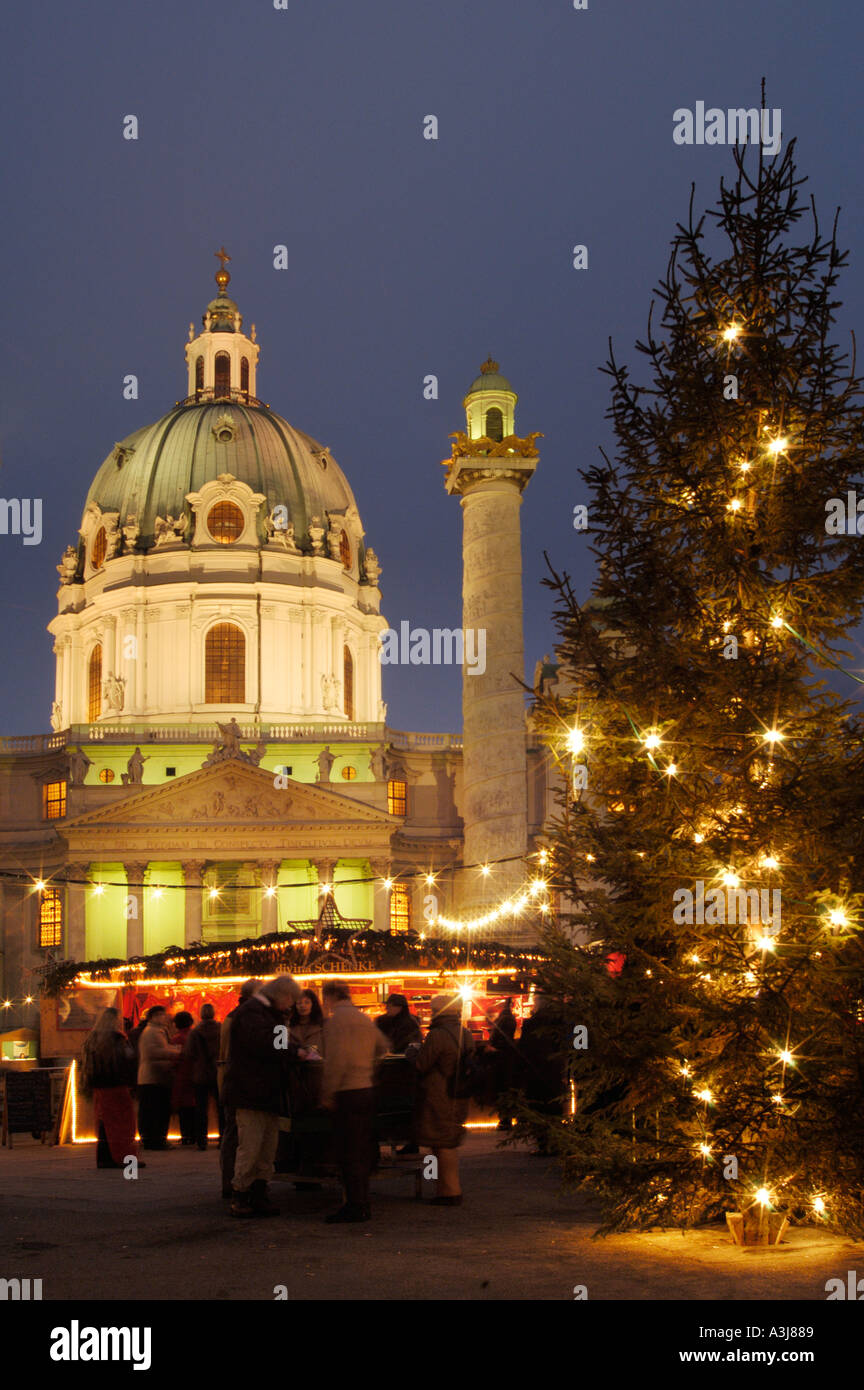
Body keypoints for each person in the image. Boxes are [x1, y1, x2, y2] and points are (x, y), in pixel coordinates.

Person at [221, 975, 304, 1217]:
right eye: (290, 1000)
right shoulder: (253, 1013)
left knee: (267, 1147)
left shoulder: (265, 1013)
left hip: (264, 1092)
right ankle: (242, 1194)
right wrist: (296, 1052)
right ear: (282, 995)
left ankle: (258, 1193)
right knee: (252, 1145)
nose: (291, 1005)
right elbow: (267, 1043)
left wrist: (295, 1049)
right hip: (252, 1092)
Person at [320, 981, 388, 1224]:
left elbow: (336, 1061)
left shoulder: (335, 1022)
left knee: (348, 1152)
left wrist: (328, 1092)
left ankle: (355, 1205)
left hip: (347, 1091)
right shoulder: (363, 1018)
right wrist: (367, 1066)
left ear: (329, 997)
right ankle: (361, 1202)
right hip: (366, 1089)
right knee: (361, 1148)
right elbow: (384, 1046)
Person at [414, 994, 475, 1205]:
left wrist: (412, 1054)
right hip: (459, 1093)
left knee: (441, 1144)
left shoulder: (437, 1035)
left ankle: (449, 1191)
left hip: (439, 1094)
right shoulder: (465, 1033)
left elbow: (422, 1065)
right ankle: (444, 1188)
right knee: (447, 1141)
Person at [80, 1007, 142, 1170]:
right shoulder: (118, 1039)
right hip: (117, 1085)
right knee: (124, 1125)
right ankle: (127, 1160)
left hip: (99, 1087)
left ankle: (104, 1157)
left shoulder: (91, 1039)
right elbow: (129, 1058)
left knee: (103, 1123)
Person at [218, 979, 260, 1198]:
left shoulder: (233, 1017)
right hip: (241, 1084)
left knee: (233, 1134)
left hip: (231, 1082)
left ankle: (232, 1182)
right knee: (240, 1136)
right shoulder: (245, 1018)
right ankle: (240, 1186)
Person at [136, 1006, 181, 1149]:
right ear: (153, 1016)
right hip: (153, 1077)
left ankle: (155, 1138)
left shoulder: (158, 1031)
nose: (164, 1017)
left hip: (156, 1076)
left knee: (157, 1109)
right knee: (155, 1110)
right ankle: (155, 1139)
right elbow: (154, 1052)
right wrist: (176, 1052)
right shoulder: (152, 1032)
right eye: (161, 1014)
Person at [187, 1003, 223, 1150]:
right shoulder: (221, 1030)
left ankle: (202, 1140)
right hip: (217, 1071)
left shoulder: (195, 1032)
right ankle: (223, 1138)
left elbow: (189, 1053)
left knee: (201, 1109)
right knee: (221, 1108)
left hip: (201, 1073)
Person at [490, 998, 518, 1131]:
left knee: (503, 1089)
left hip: (502, 1060)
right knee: (507, 1089)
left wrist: (494, 1048)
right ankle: (507, 1118)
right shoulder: (509, 1019)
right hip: (507, 1060)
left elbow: (501, 1039)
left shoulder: (504, 1020)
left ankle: (505, 1119)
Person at [170, 1011, 196, 1144]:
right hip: (195, 1074)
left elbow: (175, 1058)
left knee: (184, 1107)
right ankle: (195, 1134)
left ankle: (186, 1135)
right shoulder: (195, 1035)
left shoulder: (176, 1039)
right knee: (194, 1105)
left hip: (181, 1075)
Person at [289, 989, 324, 1054]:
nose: (302, 1006)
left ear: (313, 1005)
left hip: (316, 1063)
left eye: (307, 1002)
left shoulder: (322, 1026)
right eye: (299, 1003)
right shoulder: (287, 1026)